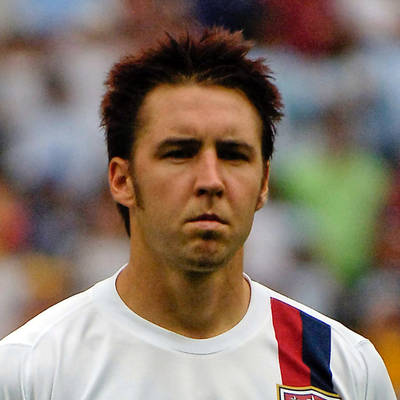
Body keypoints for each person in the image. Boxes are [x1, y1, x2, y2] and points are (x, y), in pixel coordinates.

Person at [0, 27, 395, 400]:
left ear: (263, 183)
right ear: (122, 180)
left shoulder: (344, 367)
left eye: (233, 155)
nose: (210, 180)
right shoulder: (33, 369)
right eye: (179, 153)